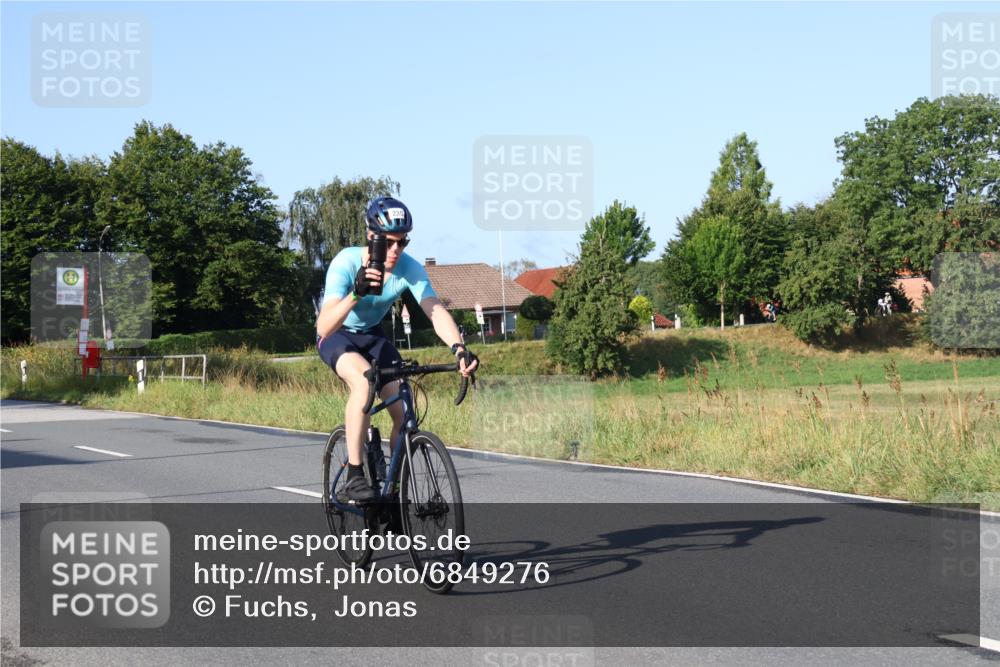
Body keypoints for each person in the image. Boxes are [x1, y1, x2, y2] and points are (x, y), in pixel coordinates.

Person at [315, 196, 479, 503]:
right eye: (389, 242)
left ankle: (393, 492)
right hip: (338, 335)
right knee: (363, 383)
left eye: (402, 243)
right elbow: (324, 326)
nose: (395, 251)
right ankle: (354, 474)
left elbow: (434, 310)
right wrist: (356, 293)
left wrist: (459, 348)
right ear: (371, 236)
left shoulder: (409, 268)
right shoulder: (347, 261)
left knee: (405, 414)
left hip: (373, 337)